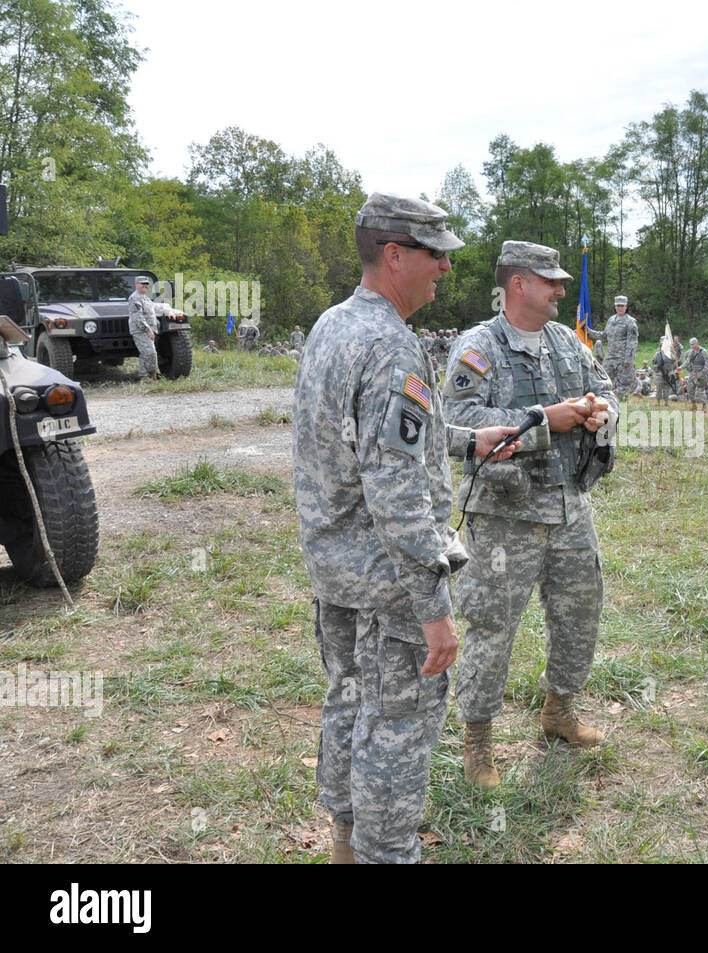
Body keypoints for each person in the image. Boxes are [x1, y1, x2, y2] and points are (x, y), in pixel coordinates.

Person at [293, 193, 520, 864]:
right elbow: (395, 491)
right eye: (435, 254)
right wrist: (434, 607)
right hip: (390, 583)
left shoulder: (332, 325)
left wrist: (467, 440)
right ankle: (383, 850)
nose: (446, 268)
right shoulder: (393, 346)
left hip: (336, 570)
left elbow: (366, 441)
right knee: (395, 728)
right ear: (395, 255)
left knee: (349, 701)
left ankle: (343, 841)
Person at [442, 241, 619, 789]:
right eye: (551, 282)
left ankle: (559, 712)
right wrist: (547, 420)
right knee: (493, 627)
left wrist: (599, 413)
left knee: (579, 612)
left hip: (569, 507)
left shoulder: (567, 342)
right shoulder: (478, 347)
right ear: (518, 284)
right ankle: (478, 746)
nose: (561, 291)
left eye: (562, 282)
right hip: (505, 517)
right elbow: (457, 423)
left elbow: (606, 389)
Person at [602, 295, 638, 402]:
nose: (620, 308)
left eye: (622, 306)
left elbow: (632, 342)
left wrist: (628, 360)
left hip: (623, 359)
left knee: (624, 385)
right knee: (605, 381)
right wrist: (589, 332)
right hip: (610, 358)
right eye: (618, 305)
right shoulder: (611, 320)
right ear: (615, 306)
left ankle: (622, 406)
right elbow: (604, 336)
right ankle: (608, 402)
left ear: (626, 307)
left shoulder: (631, 321)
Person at [127, 276, 160, 381]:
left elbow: (154, 308)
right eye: (142, 283)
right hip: (140, 330)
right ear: (136, 284)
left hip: (147, 330)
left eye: (146, 284)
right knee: (149, 352)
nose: (145, 285)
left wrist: (169, 311)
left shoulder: (145, 298)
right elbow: (138, 317)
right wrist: (148, 330)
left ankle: (147, 376)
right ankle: (149, 375)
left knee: (146, 352)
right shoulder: (135, 298)